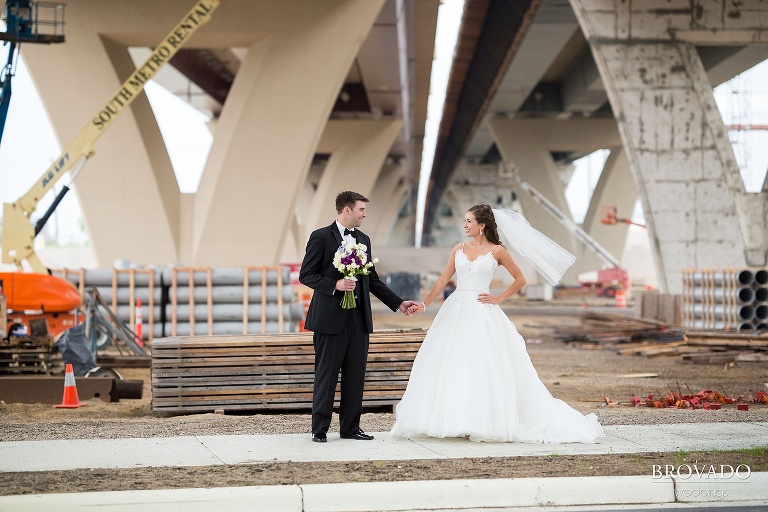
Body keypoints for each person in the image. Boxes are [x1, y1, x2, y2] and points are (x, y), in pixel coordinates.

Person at [391, 204, 605, 443]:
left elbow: (520, 279)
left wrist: (498, 298)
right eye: (465, 220)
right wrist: (424, 304)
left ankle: (478, 421)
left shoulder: (497, 252)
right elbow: (444, 278)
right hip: (456, 311)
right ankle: (454, 420)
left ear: (481, 225)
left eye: (469, 221)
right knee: (453, 363)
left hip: (483, 311)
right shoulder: (458, 249)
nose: (464, 225)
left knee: (481, 365)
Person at [300, 191, 417, 443]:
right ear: (347, 210)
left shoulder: (363, 238)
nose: (364, 214)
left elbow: (372, 280)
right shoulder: (320, 237)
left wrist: (398, 303)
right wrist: (335, 285)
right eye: (361, 209)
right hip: (329, 319)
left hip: (359, 319)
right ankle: (319, 429)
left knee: (355, 376)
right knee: (326, 375)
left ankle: (350, 428)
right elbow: (306, 275)